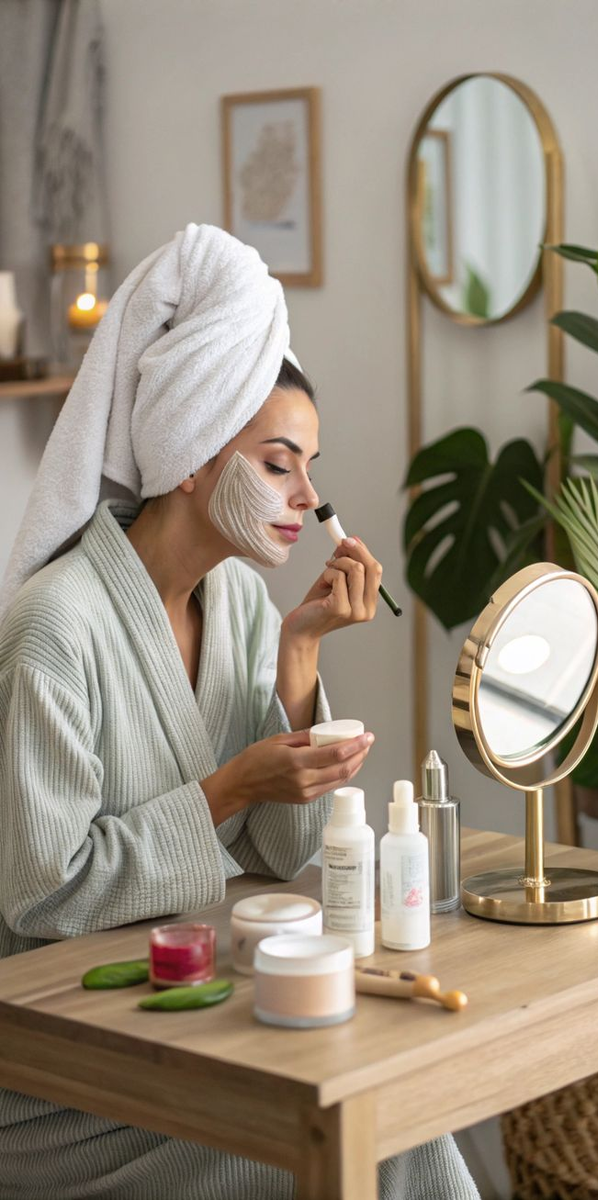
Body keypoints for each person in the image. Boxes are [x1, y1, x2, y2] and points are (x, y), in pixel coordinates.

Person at [0, 224, 480, 1199]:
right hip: (62, 1070)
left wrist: (299, 655)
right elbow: (42, 894)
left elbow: (275, 853)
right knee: (375, 1144)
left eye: (309, 467)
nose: (308, 497)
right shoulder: (56, 627)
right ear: (189, 456)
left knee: (394, 1119)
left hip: (192, 1011)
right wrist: (225, 789)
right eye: (277, 464)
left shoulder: (242, 608)